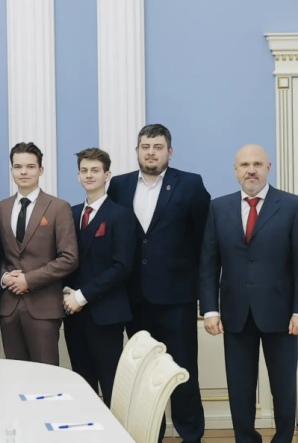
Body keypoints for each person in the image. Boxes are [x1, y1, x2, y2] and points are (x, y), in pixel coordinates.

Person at [106, 124, 209, 443]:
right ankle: (150, 434)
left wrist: (204, 295)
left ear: (170, 152)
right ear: (137, 151)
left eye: (158, 147)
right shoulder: (119, 185)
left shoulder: (190, 184)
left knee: (182, 370)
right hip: (133, 297)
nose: (151, 152)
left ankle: (191, 435)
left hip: (177, 297)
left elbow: (204, 241)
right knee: (142, 374)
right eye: (145, 147)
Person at [200, 144, 298, 443]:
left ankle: (283, 439)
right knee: (240, 386)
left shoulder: (294, 206)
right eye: (245, 165)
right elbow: (208, 263)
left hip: (282, 314)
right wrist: (210, 309)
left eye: (257, 164)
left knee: (283, 387)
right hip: (235, 314)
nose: (251, 170)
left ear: (268, 168)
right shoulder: (218, 208)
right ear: (235, 170)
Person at [62, 147, 136, 407]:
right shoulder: (69, 214)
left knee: (111, 381)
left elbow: (122, 267)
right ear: (78, 176)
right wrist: (65, 293)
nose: (89, 175)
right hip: (72, 315)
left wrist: (82, 296)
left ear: (107, 175)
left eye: (95, 170)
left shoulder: (121, 215)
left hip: (106, 314)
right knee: (82, 383)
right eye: (84, 170)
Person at [0, 142, 77, 365]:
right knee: (15, 373)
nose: (24, 172)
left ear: (40, 170)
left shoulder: (58, 207)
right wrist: (4, 277)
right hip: (9, 307)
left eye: (30, 167)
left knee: (45, 375)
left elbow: (69, 258)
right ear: (11, 170)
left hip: (44, 306)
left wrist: (29, 280)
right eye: (18, 167)